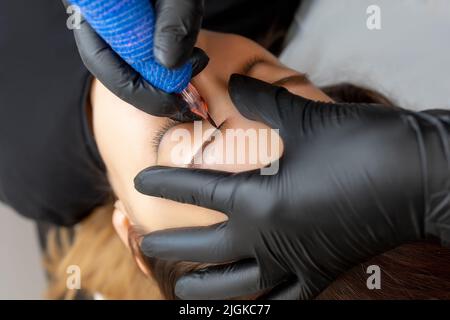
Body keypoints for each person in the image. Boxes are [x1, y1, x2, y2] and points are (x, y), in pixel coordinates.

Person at [44, 30, 450, 300]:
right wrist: (432, 162)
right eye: (276, 88)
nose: (203, 76)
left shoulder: (26, 169)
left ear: (133, 235)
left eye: (195, 137)